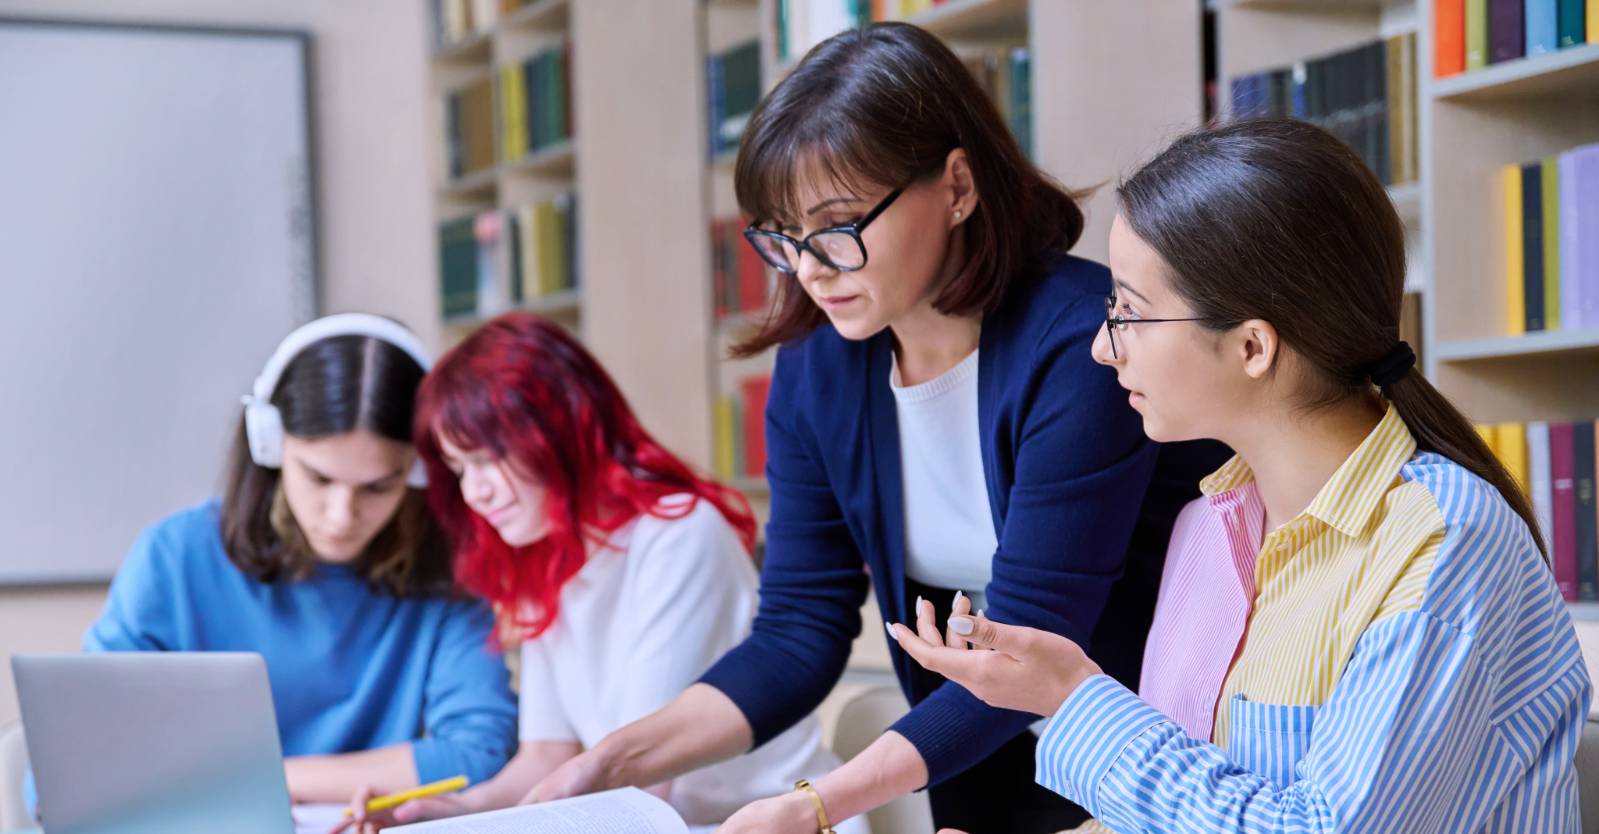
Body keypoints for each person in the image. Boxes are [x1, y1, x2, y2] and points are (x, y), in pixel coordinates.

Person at [526, 22, 1227, 834]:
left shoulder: (1081, 347)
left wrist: (814, 804)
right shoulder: (818, 372)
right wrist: (610, 763)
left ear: (957, 186)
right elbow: (797, 632)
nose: (812, 266)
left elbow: (1032, 640)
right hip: (974, 752)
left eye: (838, 224)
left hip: (1150, 751)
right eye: (782, 236)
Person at [891, 119, 1591, 834]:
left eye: (1129, 312)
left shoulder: (1444, 545)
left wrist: (1074, 697)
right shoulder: (1208, 526)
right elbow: (1185, 812)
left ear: (1253, 346)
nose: (1103, 347)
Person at [342, 312, 863, 832]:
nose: (473, 493)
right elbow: (545, 758)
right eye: (459, 469)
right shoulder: (547, 554)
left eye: (485, 459)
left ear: (558, 429)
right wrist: (443, 814)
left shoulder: (676, 535)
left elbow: (644, 781)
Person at [77, 314, 518, 806]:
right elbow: (83, 757)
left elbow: (478, 755)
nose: (341, 516)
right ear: (269, 443)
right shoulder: (175, 557)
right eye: (318, 478)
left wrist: (267, 780)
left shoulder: (448, 571)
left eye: (377, 487)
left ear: (416, 474)